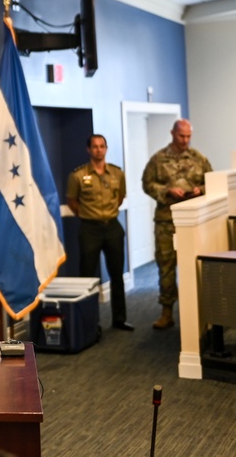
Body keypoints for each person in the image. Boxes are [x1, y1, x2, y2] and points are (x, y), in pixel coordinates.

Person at [141, 119, 212, 330]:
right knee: (166, 266)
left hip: (194, 222)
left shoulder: (199, 158)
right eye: (182, 136)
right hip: (166, 221)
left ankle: (199, 313)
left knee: (196, 267)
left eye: (189, 136)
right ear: (172, 133)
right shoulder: (158, 159)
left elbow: (211, 181)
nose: (185, 140)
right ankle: (166, 313)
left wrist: (200, 189)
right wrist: (166, 191)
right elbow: (147, 183)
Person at [66, 134, 131, 331]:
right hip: (89, 229)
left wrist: (107, 214)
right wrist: (88, 215)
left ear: (106, 148)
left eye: (102, 146)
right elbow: (72, 202)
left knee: (117, 275)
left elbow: (120, 197)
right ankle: (89, 323)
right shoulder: (77, 175)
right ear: (88, 150)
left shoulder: (117, 174)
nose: (98, 150)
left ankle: (119, 319)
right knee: (88, 277)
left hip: (112, 227)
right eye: (94, 147)